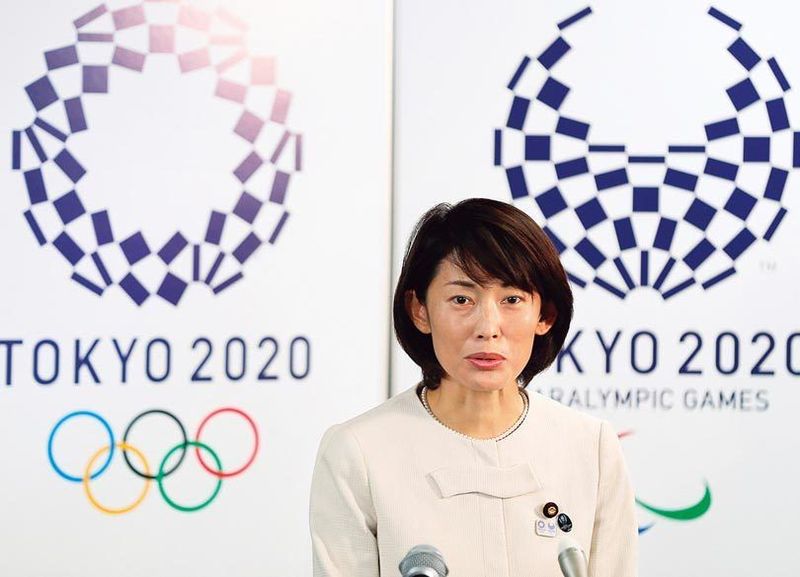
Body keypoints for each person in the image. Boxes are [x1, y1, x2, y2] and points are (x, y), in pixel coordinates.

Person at [309, 198, 638, 577]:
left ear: (545, 315)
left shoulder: (591, 447)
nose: (488, 327)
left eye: (512, 299)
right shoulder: (359, 452)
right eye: (462, 299)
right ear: (420, 310)